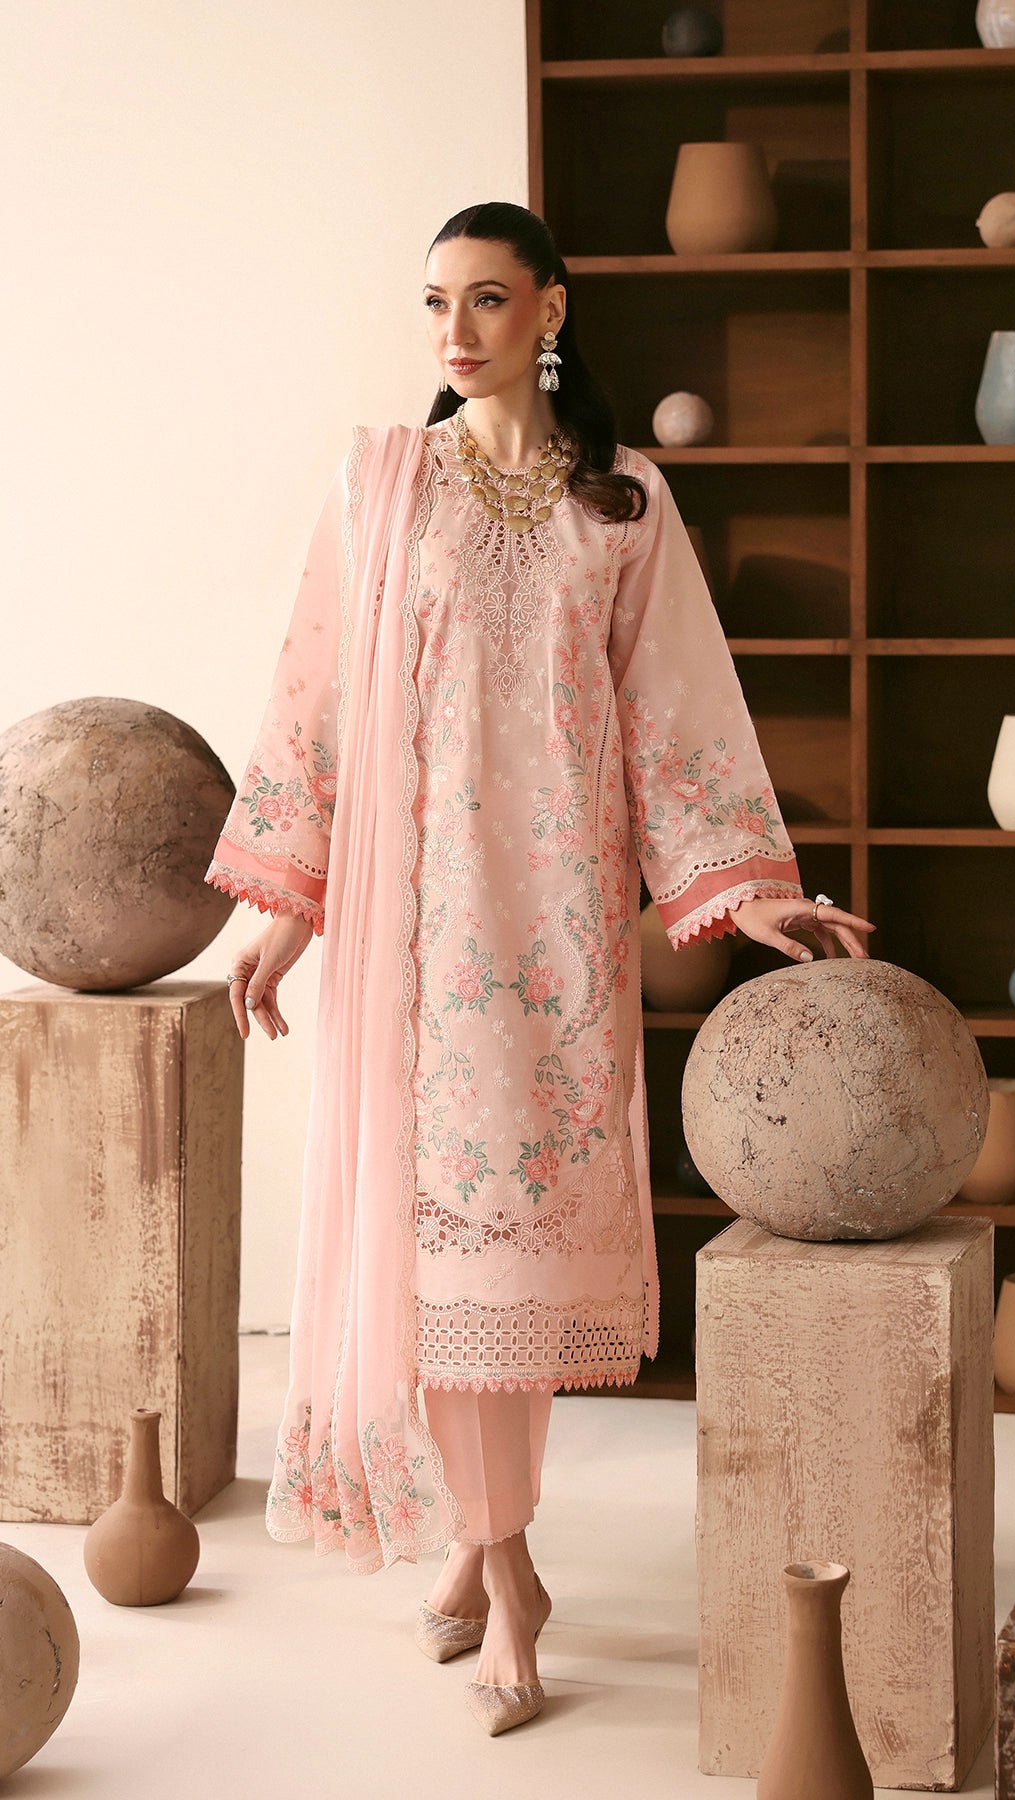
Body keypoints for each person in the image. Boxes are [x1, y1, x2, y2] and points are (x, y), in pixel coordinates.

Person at [205, 200, 875, 1736]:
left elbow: (681, 719)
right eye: (436, 299)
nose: (455, 328)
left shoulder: (623, 505)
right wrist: (286, 907)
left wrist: (749, 895)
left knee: (501, 1270)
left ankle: (479, 1545)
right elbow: (314, 699)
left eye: (490, 299)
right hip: (410, 940)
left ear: (551, 311)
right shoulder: (384, 491)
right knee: (431, 1266)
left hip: (555, 941)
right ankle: (505, 1577)